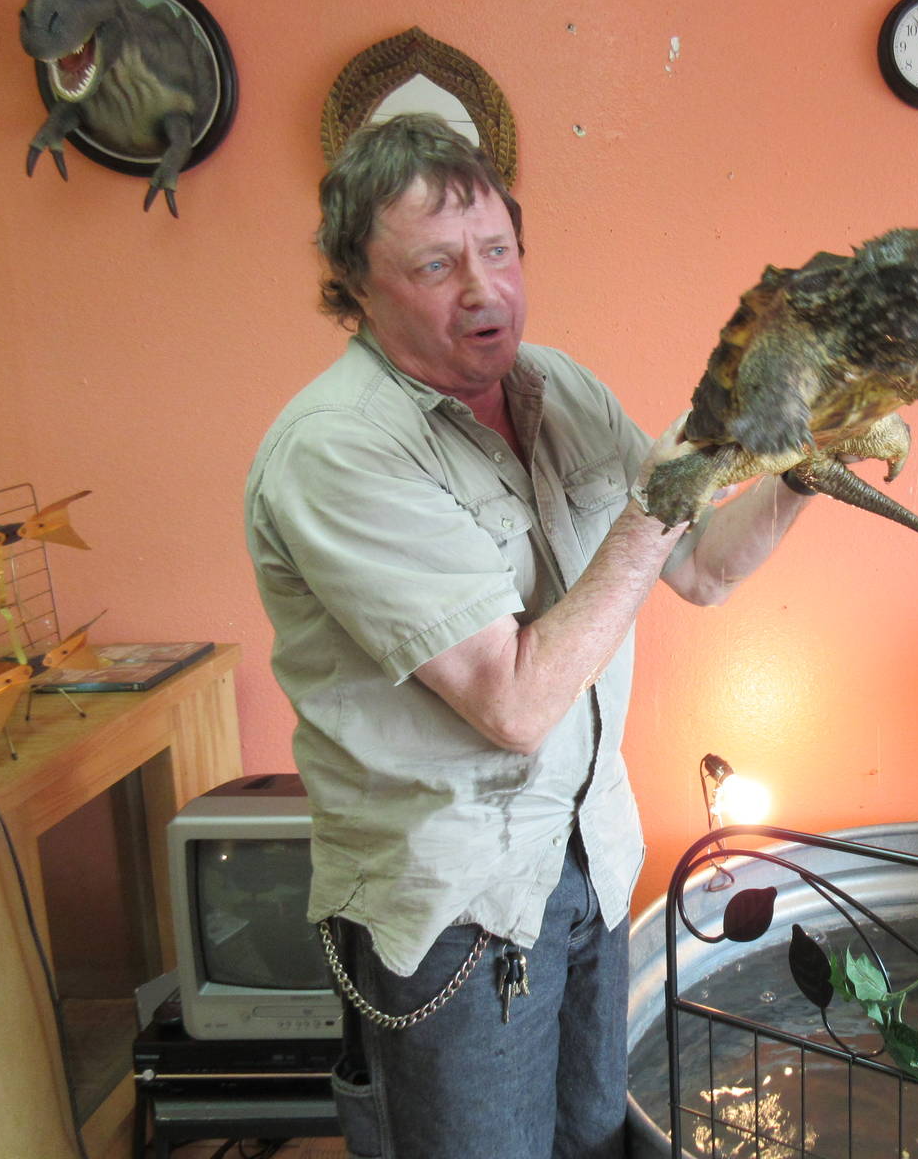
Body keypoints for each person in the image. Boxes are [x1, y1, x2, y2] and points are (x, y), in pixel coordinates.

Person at [244, 112, 815, 1158]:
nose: (483, 289)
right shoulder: (336, 453)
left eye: (498, 249)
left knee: (593, 1141)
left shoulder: (560, 388)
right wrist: (671, 488)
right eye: (434, 264)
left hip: (591, 860)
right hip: (458, 907)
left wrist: (802, 470)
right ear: (354, 287)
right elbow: (513, 703)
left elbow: (699, 570)